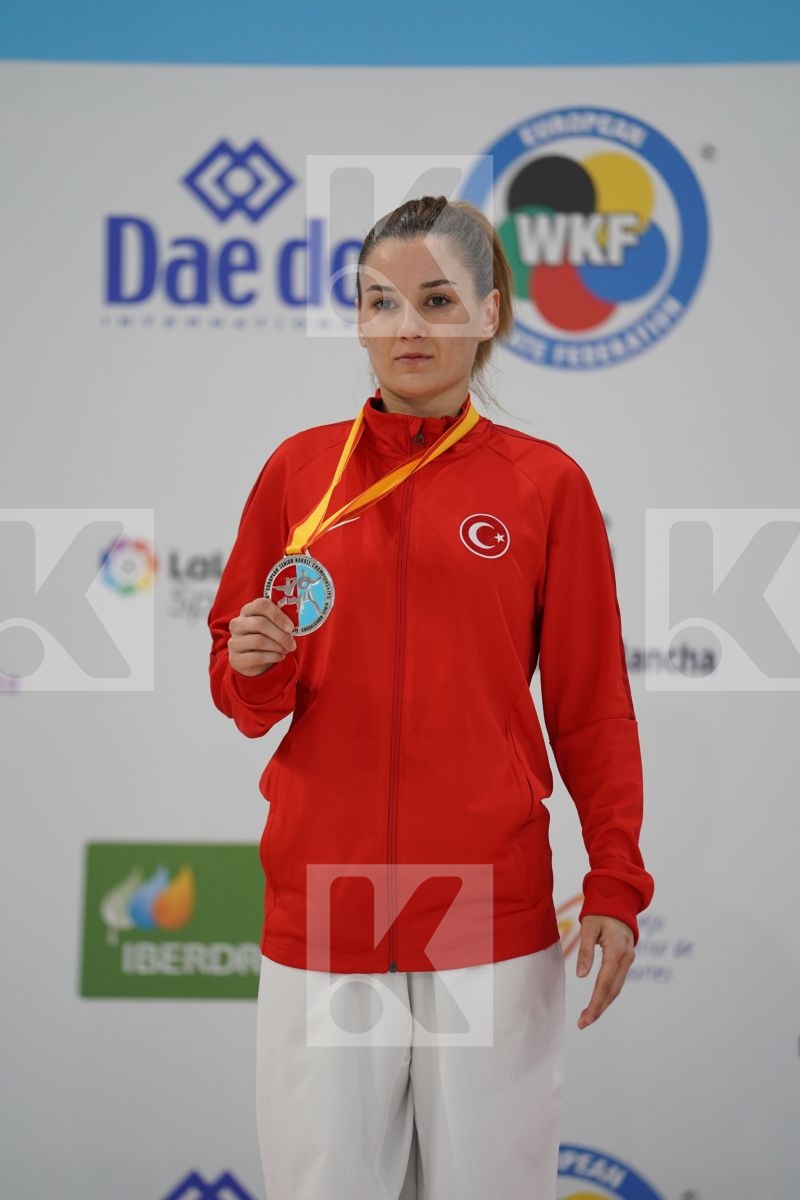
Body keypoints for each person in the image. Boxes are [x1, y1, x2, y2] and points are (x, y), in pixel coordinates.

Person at [206, 195, 655, 1200]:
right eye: (380, 301)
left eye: (435, 299)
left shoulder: (545, 486)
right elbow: (243, 695)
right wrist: (252, 658)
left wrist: (616, 875)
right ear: (357, 317)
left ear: (487, 314)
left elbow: (589, 707)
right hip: (328, 899)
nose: (406, 326)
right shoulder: (297, 473)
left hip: (483, 903)